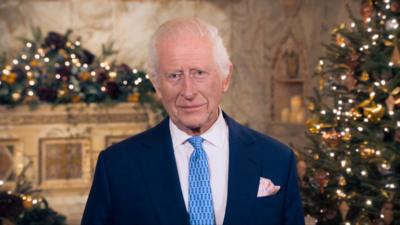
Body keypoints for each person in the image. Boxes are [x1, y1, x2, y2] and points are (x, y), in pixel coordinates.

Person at [81, 18, 305, 225]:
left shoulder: (276, 159)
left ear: (225, 78)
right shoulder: (117, 166)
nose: (188, 92)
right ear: (157, 85)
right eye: (174, 76)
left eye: (199, 73)